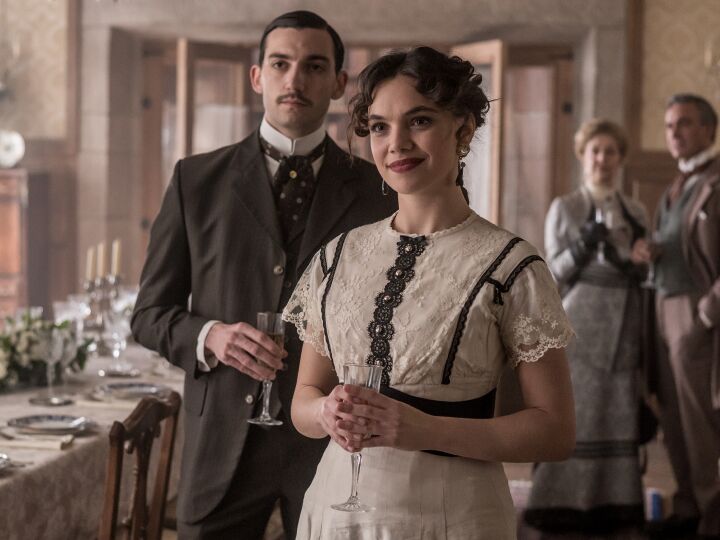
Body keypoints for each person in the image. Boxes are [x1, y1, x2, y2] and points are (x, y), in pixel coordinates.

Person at [282, 46, 576, 540]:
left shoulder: (511, 265)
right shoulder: (336, 257)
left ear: (463, 129)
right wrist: (324, 413)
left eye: (418, 121)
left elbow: (555, 432)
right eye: (379, 127)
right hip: (334, 515)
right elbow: (302, 403)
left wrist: (427, 430)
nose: (397, 143)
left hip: (453, 518)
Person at [131, 10, 396, 539]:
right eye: (280, 64)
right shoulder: (195, 180)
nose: (295, 80)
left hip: (333, 448)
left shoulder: (377, 191)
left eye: (314, 66)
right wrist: (211, 336)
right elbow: (149, 315)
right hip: (220, 450)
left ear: (339, 83)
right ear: (257, 77)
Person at [524, 119, 650, 533]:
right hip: (578, 326)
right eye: (596, 151)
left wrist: (640, 259)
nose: (603, 159)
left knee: (616, 415)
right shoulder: (565, 207)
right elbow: (552, 275)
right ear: (583, 155)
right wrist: (584, 243)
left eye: (611, 151)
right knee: (577, 412)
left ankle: (614, 504)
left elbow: (643, 273)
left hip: (623, 325)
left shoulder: (635, 212)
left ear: (620, 158)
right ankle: (561, 503)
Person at [635, 94, 720, 539]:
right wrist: (648, 251)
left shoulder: (716, 181)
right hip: (662, 309)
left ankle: (712, 518)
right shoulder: (675, 185)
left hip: (697, 311)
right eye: (669, 126)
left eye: (684, 123)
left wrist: (704, 316)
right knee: (673, 418)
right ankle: (687, 507)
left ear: (709, 129)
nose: (674, 133)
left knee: (701, 421)